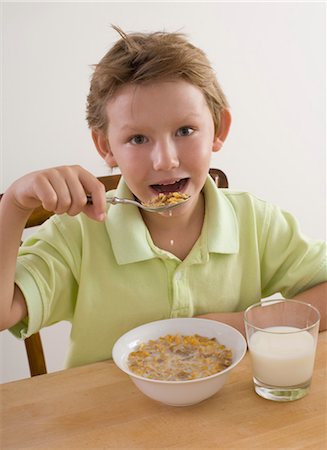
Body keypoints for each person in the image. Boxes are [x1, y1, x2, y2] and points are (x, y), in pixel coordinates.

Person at [0, 26, 326, 369]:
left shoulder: (254, 222)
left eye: (185, 131)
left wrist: (243, 327)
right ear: (105, 146)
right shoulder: (78, 234)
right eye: (138, 139)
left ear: (219, 128)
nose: (166, 160)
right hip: (108, 418)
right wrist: (13, 206)